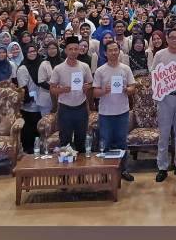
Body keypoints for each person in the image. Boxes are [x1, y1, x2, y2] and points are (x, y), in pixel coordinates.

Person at [150, 28, 176, 182]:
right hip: (165, 98)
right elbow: (154, 75)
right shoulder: (159, 55)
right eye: (172, 38)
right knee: (164, 133)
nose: (175, 40)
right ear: (167, 39)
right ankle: (162, 167)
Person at [92, 41, 136, 181]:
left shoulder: (125, 69)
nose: (113, 52)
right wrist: (103, 91)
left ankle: (123, 170)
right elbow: (94, 93)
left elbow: (132, 88)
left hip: (122, 112)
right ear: (105, 53)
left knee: (122, 143)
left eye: (116, 50)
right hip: (105, 113)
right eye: (110, 50)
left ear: (119, 51)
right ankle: (106, 172)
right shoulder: (100, 70)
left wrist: (126, 90)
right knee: (106, 143)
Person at [48, 35, 93, 153]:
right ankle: (65, 170)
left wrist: (86, 87)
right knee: (65, 141)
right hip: (65, 109)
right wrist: (62, 90)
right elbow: (52, 89)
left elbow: (90, 84)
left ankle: (82, 170)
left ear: (79, 50)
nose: (73, 52)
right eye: (70, 49)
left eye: (76, 49)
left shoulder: (84, 66)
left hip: (81, 108)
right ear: (66, 50)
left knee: (81, 141)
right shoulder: (58, 68)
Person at [15, 44, 46, 154]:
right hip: (30, 104)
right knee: (30, 128)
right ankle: (30, 150)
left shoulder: (42, 64)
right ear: (25, 54)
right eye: (29, 52)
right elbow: (23, 87)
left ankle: (41, 148)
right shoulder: (23, 68)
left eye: (34, 51)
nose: (32, 53)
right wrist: (29, 98)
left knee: (40, 126)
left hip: (42, 101)